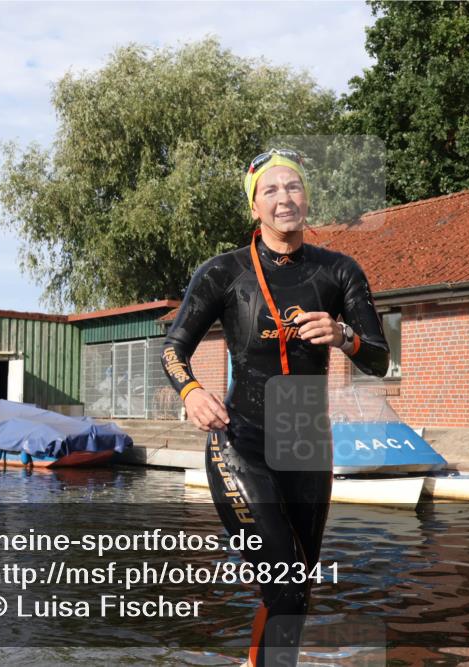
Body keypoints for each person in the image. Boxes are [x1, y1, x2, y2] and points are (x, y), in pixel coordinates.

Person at [161, 148, 389, 666]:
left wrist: (344, 334)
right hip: (242, 440)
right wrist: (193, 392)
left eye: (294, 187)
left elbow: (378, 358)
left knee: (296, 589)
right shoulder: (223, 273)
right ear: (255, 207)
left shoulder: (339, 271)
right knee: (284, 580)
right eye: (271, 190)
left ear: (307, 197)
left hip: (305, 435)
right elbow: (173, 350)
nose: (284, 198)